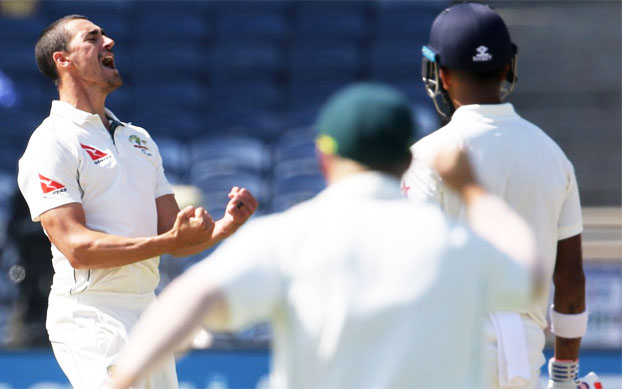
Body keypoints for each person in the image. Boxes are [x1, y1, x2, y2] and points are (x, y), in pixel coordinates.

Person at [103, 82, 545, 389]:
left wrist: (125, 377)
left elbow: (190, 298)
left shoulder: (287, 237)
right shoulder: (455, 243)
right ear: (407, 162)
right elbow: (532, 277)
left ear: (323, 159)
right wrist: (473, 190)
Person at [17, 15, 258, 389]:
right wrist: (168, 243)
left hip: (146, 307)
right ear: (63, 60)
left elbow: (175, 236)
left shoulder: (138, 139)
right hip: (90, 311)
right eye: (93, 38)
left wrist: (227, 225)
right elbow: (77, 247)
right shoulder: (50, 142)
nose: (109, 42)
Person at [402, 3, 599, 388]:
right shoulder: (552, 156)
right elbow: (571, 282)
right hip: (522, 359)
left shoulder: (427, 156)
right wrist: (563, 375)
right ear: (509, 66)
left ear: (440, 73)